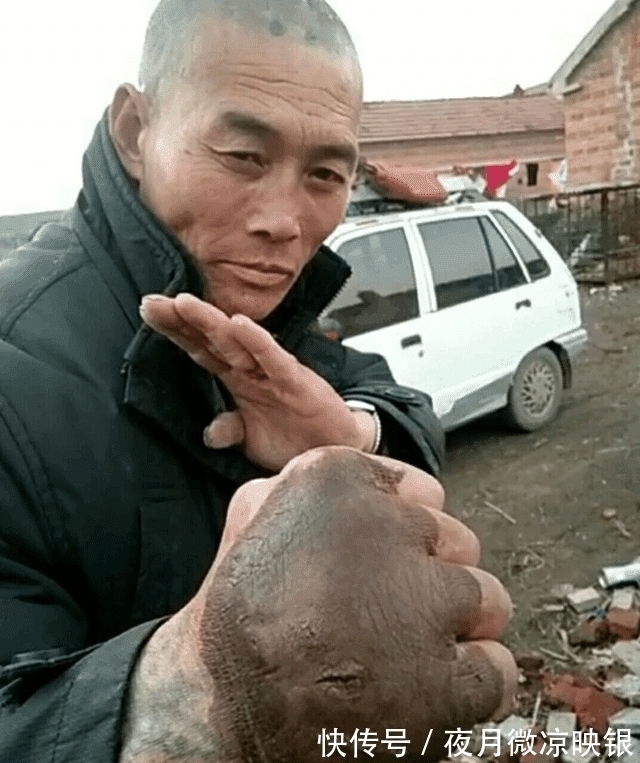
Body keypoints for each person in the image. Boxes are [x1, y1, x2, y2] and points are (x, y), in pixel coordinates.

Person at [0, 1, 515, 760]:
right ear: (135, 133)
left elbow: (401, 404)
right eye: (243, 156)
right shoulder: (16, 365)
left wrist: (349, 436)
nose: (284, 220)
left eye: (325, 174)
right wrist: (202, 689)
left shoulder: (272, 312)